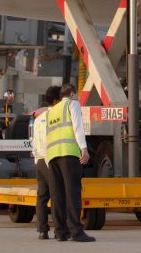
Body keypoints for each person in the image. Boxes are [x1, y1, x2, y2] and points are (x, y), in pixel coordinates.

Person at [46, 84, 95, 243]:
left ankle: (61, 232)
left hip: (52, 156)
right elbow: (78, 127)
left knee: (57, 195)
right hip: (69, 154)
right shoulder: (72, 104)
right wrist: (84, 149)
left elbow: (47, 136)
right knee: (73, 193)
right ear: (72, 94)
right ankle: (76, 232)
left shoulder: (51, 111)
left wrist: (48, 159)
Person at [30, 85, 62, 240]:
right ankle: (58, 230)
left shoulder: (38, 119)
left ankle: (42, 231)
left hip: (40, 160)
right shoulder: (56, 116)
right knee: (57, 196)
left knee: (42, 197)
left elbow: (34, 141)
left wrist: (37, 159)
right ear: (57, 100)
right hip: (52, 160)